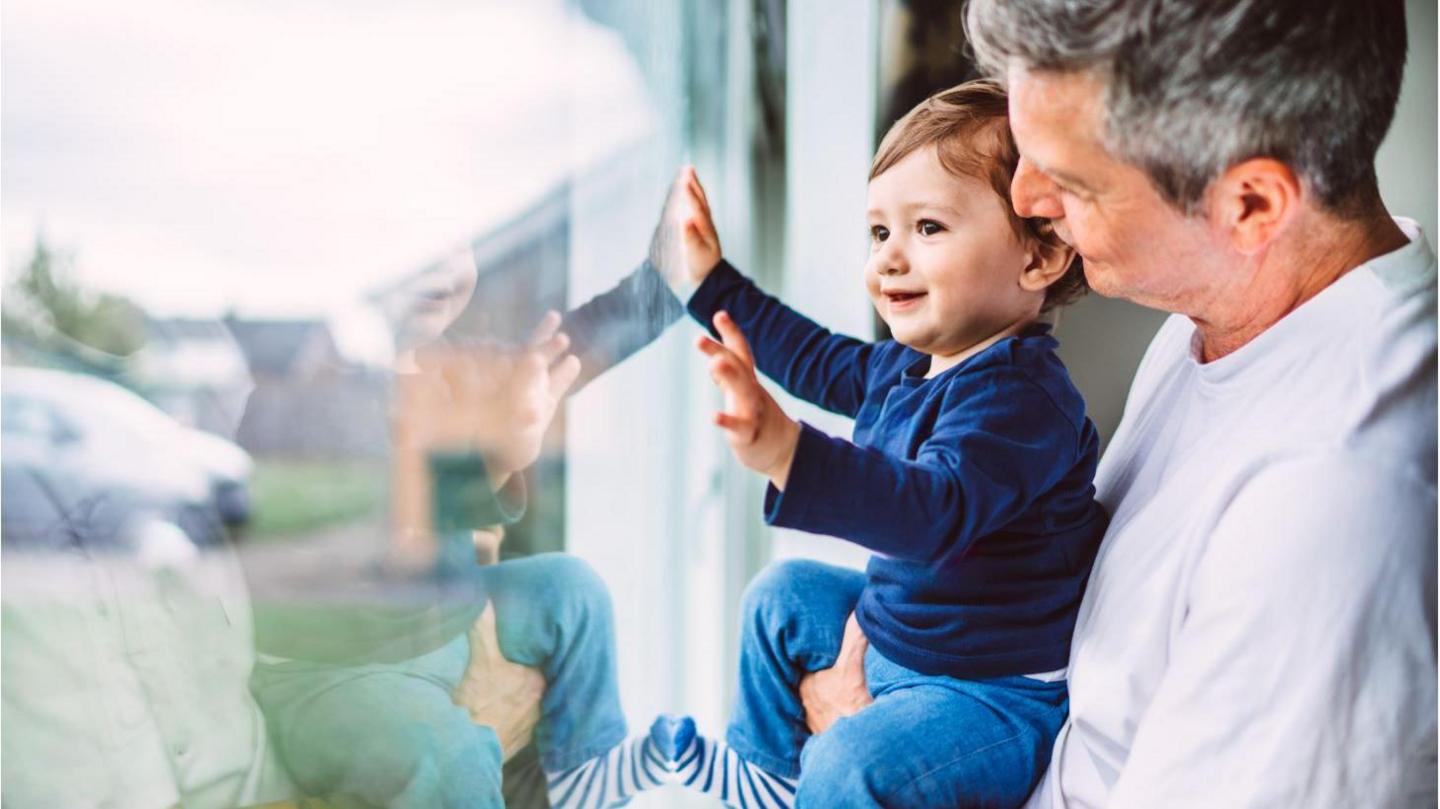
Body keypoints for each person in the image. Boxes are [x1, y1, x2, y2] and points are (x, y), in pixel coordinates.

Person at [797, 1, 1437, 807]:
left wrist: (859, 756)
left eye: (1068, 177)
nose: (1025, 198)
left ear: (1250, 204)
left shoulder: (1331, 504)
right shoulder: (1220, 321)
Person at [646, 80, 1110, 809]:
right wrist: (710, 285)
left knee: (848, 764)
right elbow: (808, 354)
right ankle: (761, 782)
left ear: (1040, 256)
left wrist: (789, 453)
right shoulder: (908, 366)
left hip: (989, 695)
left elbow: (932, 513)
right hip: (900, 639)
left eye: (927, 227)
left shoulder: (1023, 402)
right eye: (878, 232)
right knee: (778, 597)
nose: (890, 257)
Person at [246, 243, 688, 809]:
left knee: (572, 589)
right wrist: (498, 454)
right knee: (449, 760)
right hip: (337, 674)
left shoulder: (448, 363)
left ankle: (583, 780)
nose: (437, 257)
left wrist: (662, 284)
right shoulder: (303, 388)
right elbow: (387, 546)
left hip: (446, 617)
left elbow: (564, 351)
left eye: (453, 239)